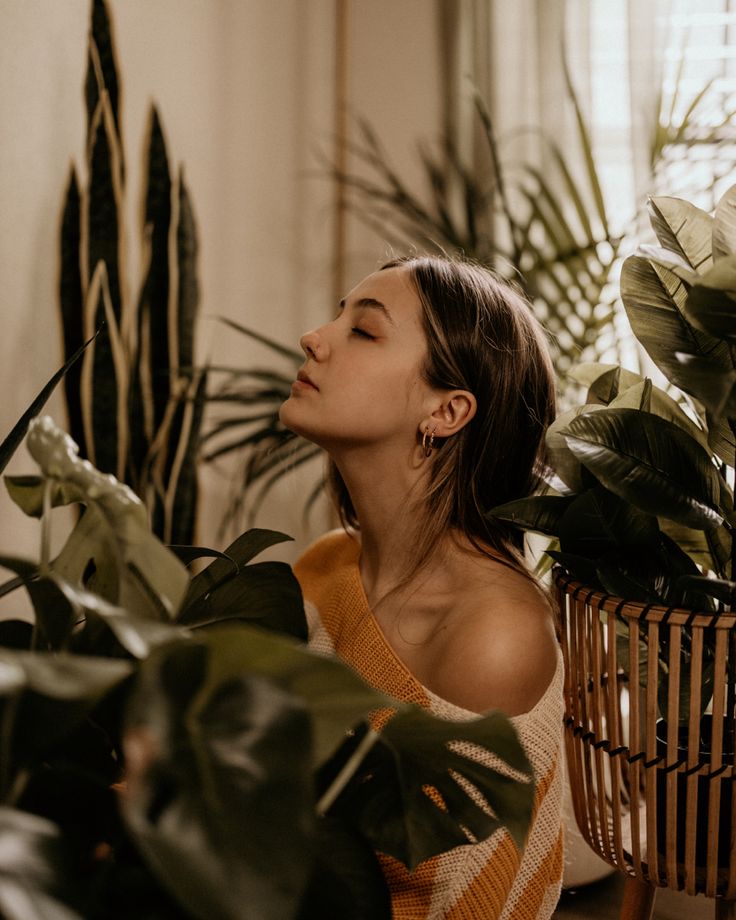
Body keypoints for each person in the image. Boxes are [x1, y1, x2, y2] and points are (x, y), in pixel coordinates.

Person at [280, 255, 564, 920]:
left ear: (447, 409)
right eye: (338, 317)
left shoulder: (494, 636)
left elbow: (466, 903)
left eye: (365, 331)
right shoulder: (324, 571)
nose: (314, 338)